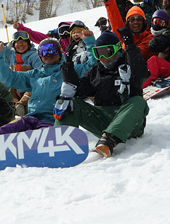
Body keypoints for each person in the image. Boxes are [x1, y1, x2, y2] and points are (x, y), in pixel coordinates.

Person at [54, 28, 150, 157]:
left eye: (107, 52)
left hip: (129, 123)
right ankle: (61, 141)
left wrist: (131, 46)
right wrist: (68, 64)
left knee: (139, 101)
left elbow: (141, 71)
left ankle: (109, 140)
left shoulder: (129, 67)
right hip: (103, 121)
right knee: (70, 102)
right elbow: (77, 90)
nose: (103, 58)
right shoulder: (95, 72)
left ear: (116, 49)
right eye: (99, 53)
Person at [0, 31, 97, 134]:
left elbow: (92, 66)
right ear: (39, 56)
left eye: (52, 50)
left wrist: (90, 42)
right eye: (43, 51)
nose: (48, 54)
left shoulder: (70, 71)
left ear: (60, 53)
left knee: (39, 134)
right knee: (2, 131)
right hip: (30, 119)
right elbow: (10, 78)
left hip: (54, 121)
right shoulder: (35, 75)